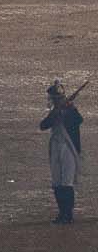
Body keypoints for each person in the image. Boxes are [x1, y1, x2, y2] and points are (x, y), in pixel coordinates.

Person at [41, 81, 82, 224]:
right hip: (56, 147)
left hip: (68, 148)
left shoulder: (71, 110)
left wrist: (68, 110)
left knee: (66, 182)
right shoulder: (55, 111)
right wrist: (56, 113)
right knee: (57, 181)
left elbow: (78, 120)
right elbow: (43, 125)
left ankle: (68, 215)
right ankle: (61, 213)